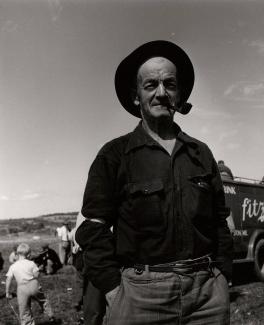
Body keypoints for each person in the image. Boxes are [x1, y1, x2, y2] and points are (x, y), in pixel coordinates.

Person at [75, 40, 233, 324]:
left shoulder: (201, 153)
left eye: (170, 85)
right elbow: (92, 229)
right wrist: (114, 290)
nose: (162, 93)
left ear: (179, 93)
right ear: (136, 96)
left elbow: (220, 222)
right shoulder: (114, 155)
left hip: (207, 297)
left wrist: (222, 277)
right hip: (140, 297)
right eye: (151, 85)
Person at [5, 243, 55, 324]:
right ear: (28, 255)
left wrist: (7, 292)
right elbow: (36, 275)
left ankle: (27, 323)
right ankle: (50, 314)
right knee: (43, 300)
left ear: (17, 254)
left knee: (24, 309)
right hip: (33, 284)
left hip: (22, 288)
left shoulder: (13, 266)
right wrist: (39, 269)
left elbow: (8, 279)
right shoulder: (31, 263)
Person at [71, 212, 107, 324]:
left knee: (90, 293)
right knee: (94, 298)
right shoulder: (88, 212)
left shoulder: (83, 212)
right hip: (93, 256)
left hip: (88, 255)